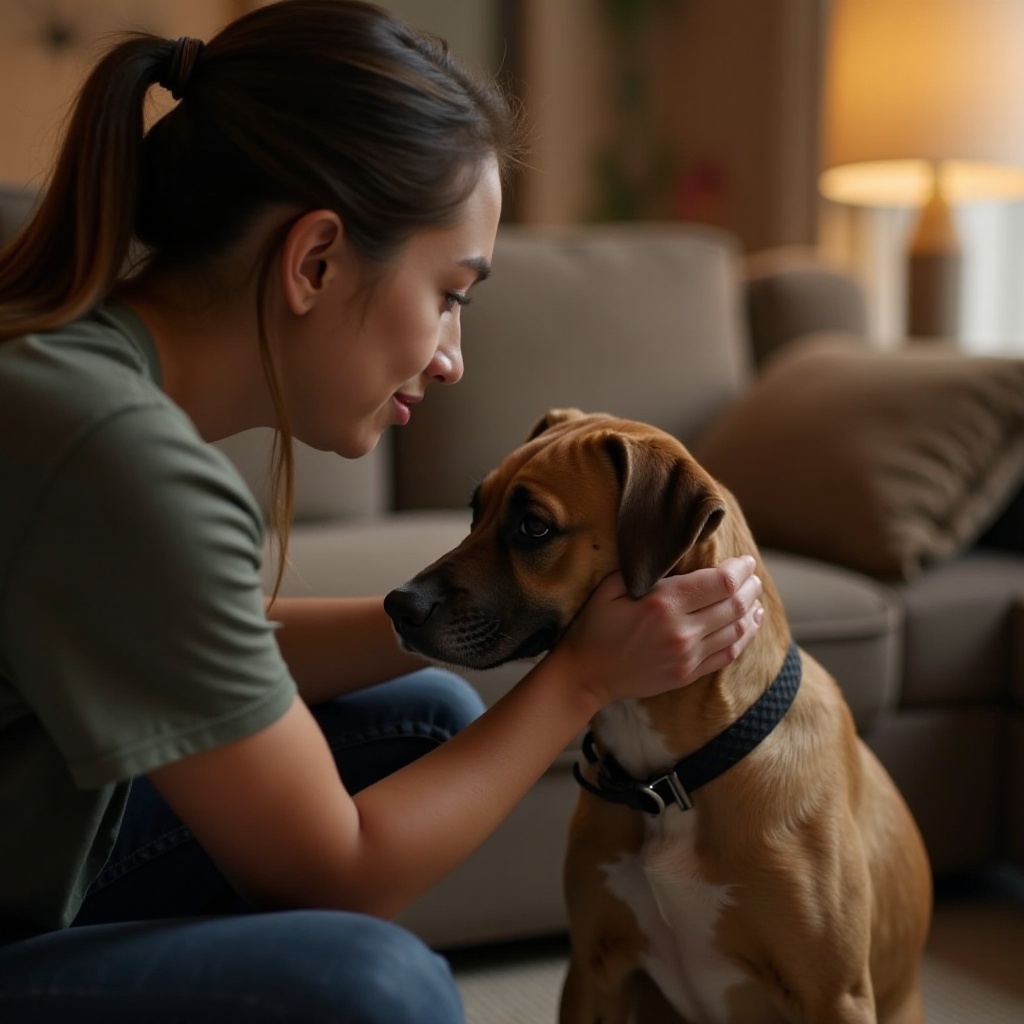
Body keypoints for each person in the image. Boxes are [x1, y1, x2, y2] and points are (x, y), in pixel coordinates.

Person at [0, 2, 764, 1020]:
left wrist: (444, 622)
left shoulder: (68, 377)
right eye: (450, 294)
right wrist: (581, 678)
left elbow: (191, 633)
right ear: (315, 260)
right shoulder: (117, 459)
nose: (452, 359)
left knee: (427, 712)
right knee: (376, 985)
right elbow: (336, 873)